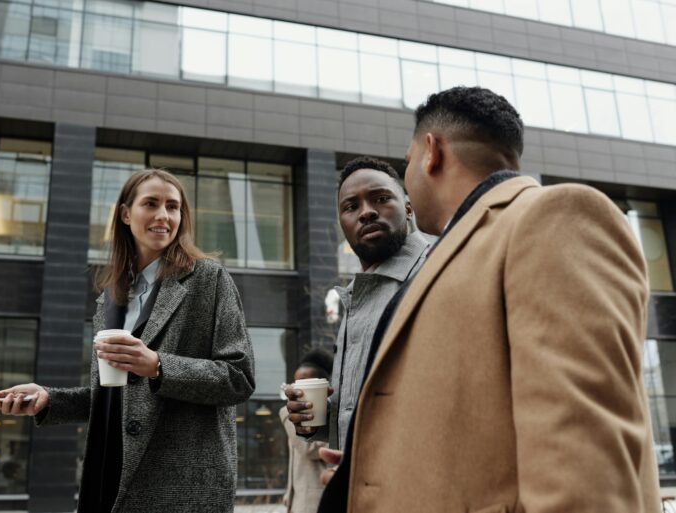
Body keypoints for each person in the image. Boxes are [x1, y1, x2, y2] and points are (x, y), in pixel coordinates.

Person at [319, 86, 661, 512]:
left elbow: (582, 456)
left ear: (431, 152)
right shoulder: (455, 255)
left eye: (406, 165)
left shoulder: (555, 216)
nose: (407, 180)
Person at [0, 169, 255, 513]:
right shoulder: (112, 298)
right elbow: (119, 397)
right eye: (151, 203)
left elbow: (239, 378)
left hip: (178, 488)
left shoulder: (208, 279)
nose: (164, 215)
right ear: (126, 213)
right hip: (108, 477)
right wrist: (48, 400)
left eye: (173, 207)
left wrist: (158, 366)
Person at [285, 156, 432, 453]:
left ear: (407, 206)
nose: (366, 212)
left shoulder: (436, 273)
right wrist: (319, 420)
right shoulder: (356, 295)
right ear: (342, 222)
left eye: (381, 199)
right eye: (351, 207)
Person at [279, 349, 334, 513]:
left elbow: (308, 449)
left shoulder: (330, 413)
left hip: (315, 499)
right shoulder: (296, 412)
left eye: (304, 380)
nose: (298, 386)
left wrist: (285, 414)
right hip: (297, 499)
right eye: (296, 381)